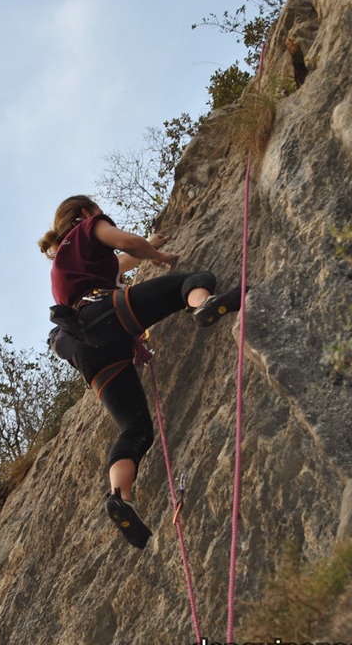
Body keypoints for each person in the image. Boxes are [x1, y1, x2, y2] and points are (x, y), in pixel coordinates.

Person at [39, 195, 244, 549]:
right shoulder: (88, 228)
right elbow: (127, 243)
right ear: (87, 213)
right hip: (104, 312)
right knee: (194, 279)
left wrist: (148, 246)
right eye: (99, 212)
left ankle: (121, 497)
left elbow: (124, 259)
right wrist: (160, 257)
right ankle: (203, 303)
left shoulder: (66, 262)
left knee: (135, 429)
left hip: (89, 349)